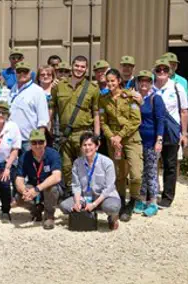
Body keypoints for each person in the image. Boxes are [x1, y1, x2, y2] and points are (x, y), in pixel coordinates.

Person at [98, 68, 142, 222]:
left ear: (118, 81)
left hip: (130, 138)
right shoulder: (103, 99)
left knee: (136, 174)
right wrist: (112, 137)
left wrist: (120, 136)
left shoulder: (129, 96)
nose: (110, 83)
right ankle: (122, 201)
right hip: (114, 142)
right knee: (119, 173)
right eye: (108, 81)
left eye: (113, 81)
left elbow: (136, 120)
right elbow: (103, 122)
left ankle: (133, 200)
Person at [49, 56, 100, 187]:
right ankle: (71, 192)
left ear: (86, 69)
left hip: (83, 133)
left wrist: (96, 135)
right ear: (72, 66)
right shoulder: (59, 86)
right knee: (66, 166)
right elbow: (52, 108)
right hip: (64, 134)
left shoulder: (92, 88)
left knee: (85, 165)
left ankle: (85, 192)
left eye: (82, 67)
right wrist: (49, 128)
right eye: (77, 66)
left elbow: (96, 112)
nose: (79, 69)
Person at [59, 132, 121, 231]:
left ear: (97, 146)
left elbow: (109, 188)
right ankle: (84, 215)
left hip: (105, 197)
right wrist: (77, 202)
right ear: (81, 147)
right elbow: (76, 185)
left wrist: (94, 204)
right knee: (64, 206)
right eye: (84, 145)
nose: (87, 148)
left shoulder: (107, 162)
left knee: (112, 207)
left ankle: (112, 217)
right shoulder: (77, 163)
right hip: (86, 197)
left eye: (90, 145)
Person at [152, 58, 188, 208]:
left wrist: (184, 133)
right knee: (152, 164)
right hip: (153, 130)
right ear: (155, 71)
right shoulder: (149, 86)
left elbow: (184, 111)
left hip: (171, 131)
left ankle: (167, 197)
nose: (161, 72)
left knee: (170, 165)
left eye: (165, 70)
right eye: (159, 70)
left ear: (169, 72)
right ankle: (152, 193)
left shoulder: (176, 87)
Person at [13, 129, 62, 229]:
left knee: (51, 188)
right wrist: (24, 190)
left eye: (40, 142)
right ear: (30, 144)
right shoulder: (25, 156)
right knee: (19, 197)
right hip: (33, 186)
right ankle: (36, 210)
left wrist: (37, 189)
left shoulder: (53, 154)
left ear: (45, 143)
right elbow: (19, 178)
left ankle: (49, 216)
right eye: (34, 142)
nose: (37, 145)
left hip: (48, 188)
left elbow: (57, 177)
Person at [134, 70, 165, 217]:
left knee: (151, 172)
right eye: (141, 80)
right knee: (141, 171)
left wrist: (159, 140)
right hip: (138, 141)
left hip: (152, 141)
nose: (144, 83)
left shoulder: (155, 98)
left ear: (151, 83)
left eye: (147, 81)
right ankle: (141, 199)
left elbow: (160, 120)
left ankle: (152, 202)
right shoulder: (136, 98)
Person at [8, 61, 50, 153]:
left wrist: (39, 141)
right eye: (19, 71)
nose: (22, 74)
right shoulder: (13, 89)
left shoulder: (37, 91)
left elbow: (43, 120)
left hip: (29, 141)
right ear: (15, 72)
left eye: (25, 71)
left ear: (30, 73)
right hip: (12, 140)